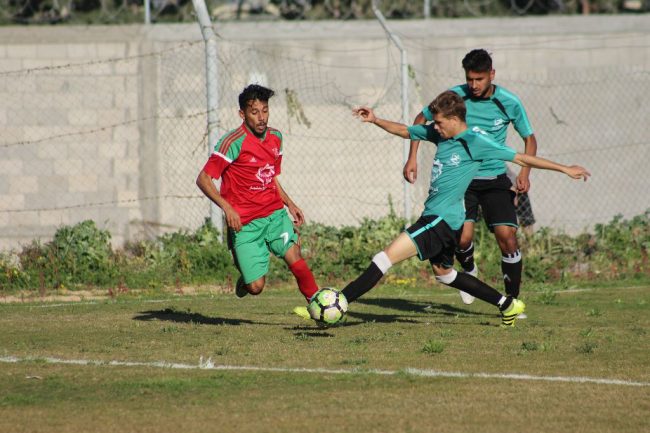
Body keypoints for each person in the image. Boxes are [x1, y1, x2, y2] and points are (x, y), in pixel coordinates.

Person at [297, 91, 589, 327]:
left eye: (438, 123)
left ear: (454, 118)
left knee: (384, 258)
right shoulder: (440, 134)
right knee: (445, 274)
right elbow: (405, 130)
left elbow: (523, 157)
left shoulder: (476, 142)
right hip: (440, 219)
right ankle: (508, 304)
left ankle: (335, 305)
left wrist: (565, 169)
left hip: (441, 220)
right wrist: (375, 120)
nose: (433, 128)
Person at [404, 49, 537, 307]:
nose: (474, 85)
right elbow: (421, 119)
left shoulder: (508, 102)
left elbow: (529, 139)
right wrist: (412, 157)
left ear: (492, 75)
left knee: (507, 237)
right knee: (463, 239)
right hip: (462, 179)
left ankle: (513, 301)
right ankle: (469, 268)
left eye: (480, 79)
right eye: (470, 79)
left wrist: (524, 173)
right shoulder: (455, 97)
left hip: (496, 177)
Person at [196, 84, 319, 303]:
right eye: (255, 112)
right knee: (255, 287)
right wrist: (227, 208)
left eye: (265, 111)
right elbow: (203, 179)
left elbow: (269, 177)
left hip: (274, 215)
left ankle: (319, 305)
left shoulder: (276, 138)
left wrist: (290, 204)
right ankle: (245, 274)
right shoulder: (232, 142)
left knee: (295, 256)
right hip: (245, 223)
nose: (261, 117)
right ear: (242, 114)